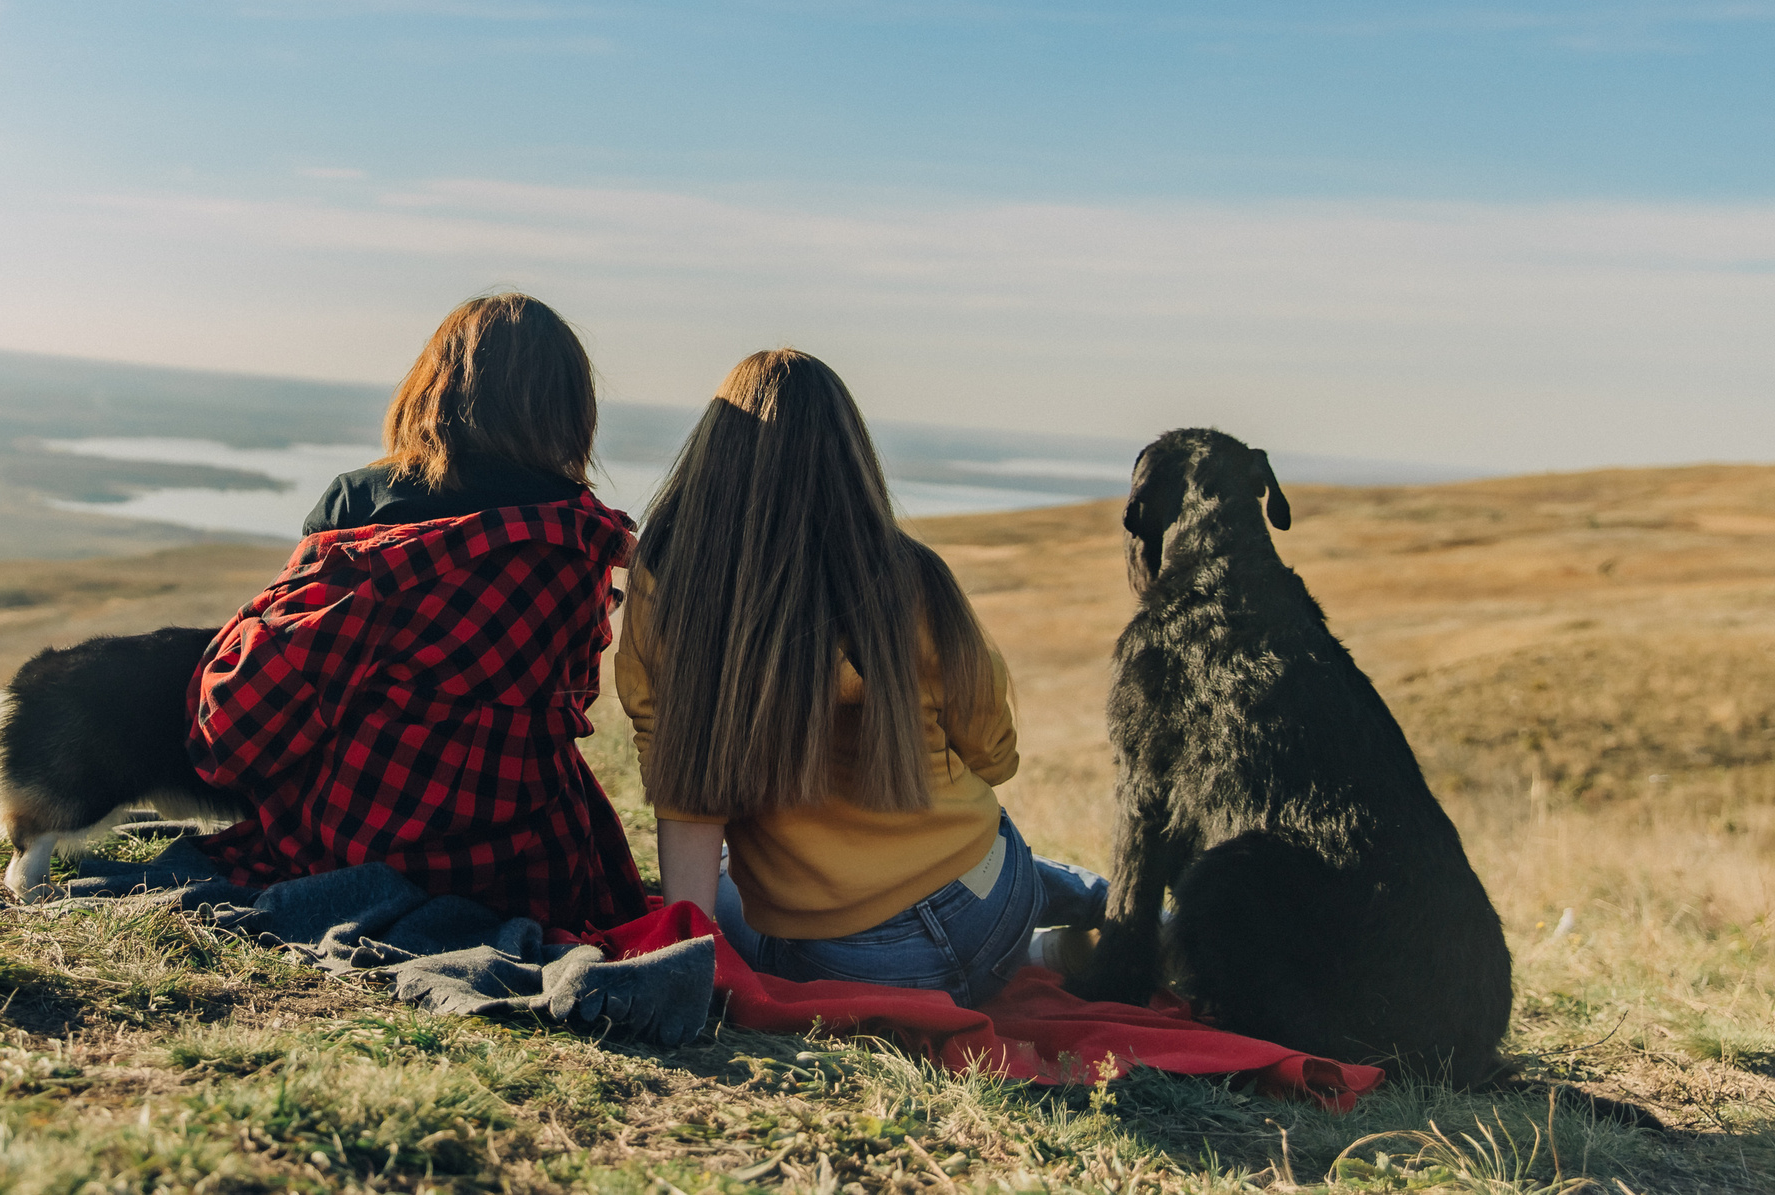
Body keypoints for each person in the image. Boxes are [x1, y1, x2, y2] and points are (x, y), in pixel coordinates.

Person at [615, 349, 1106, 1003]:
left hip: (847, 964)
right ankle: (1090, 917)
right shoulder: (916, 577)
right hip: (990, 910)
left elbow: (682, 787)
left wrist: (687, 956)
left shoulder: (671, 579)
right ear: (852, 455)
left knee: (733, 878)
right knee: (980, 844)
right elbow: (994, 758)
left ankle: (1063, 931)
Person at [186, 293, 649, 932]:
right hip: (530, 856)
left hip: (357, 836)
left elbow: (247, 719)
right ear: (570, 407)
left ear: (434, 388)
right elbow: (568, 692)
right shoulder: (582, 535)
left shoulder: (360, 506)